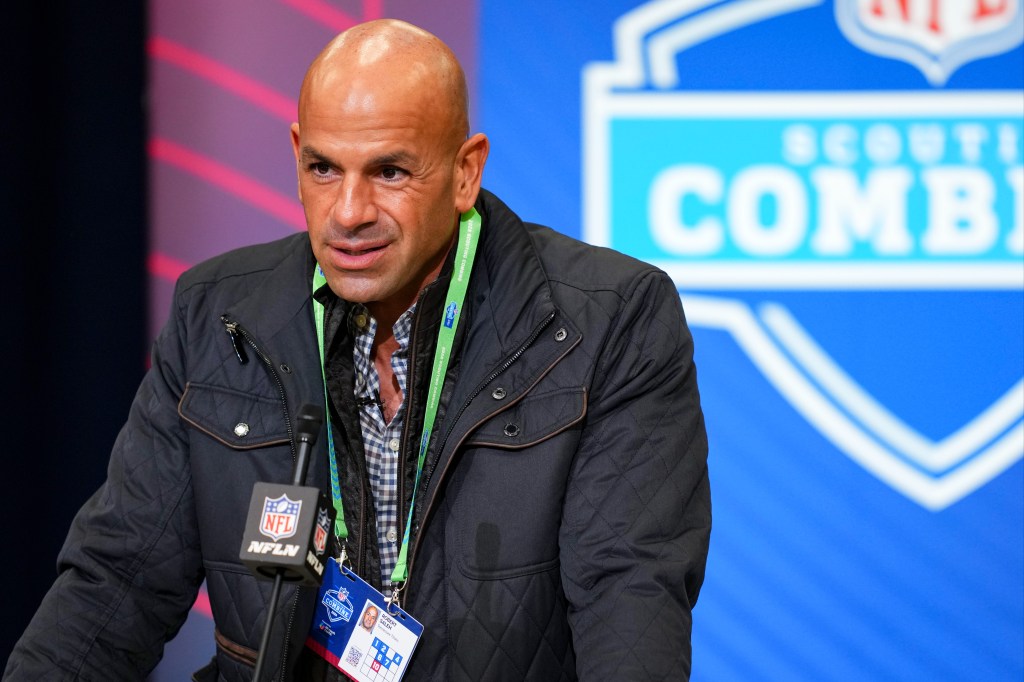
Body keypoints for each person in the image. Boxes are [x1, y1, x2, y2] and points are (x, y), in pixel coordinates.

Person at [4, 18, 710, 682]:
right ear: (295, 154)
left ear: (466, 172)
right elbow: (118, 581)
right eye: (323, 169)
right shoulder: (219, 315)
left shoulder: (609, 320)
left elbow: (629, 596)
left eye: (390, 173)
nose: (348, 213)